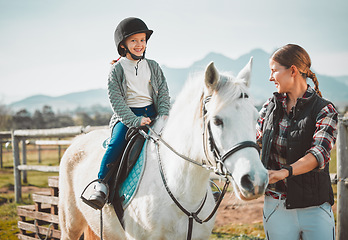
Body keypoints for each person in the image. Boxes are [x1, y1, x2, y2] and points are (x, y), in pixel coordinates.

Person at [87, 17, 171, 209]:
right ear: (123, 44)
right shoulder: (116, 70)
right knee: (116, 143)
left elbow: (164, 93)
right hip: (126, 115)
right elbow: (116, 101)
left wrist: (164, 113)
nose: (139, 44)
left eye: (142, 40)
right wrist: (134, 120)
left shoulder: (153, 66)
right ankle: (101, 184)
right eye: (133, 40)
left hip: (154, 113)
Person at [256, 44, 338, 240]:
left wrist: (284, 172)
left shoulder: (324, 110)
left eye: (274, 70)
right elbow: (255, 143)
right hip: (275, 207)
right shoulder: (268, 107)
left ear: (292, 70)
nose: (270, 77)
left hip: (315, 208)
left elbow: (318, 155)